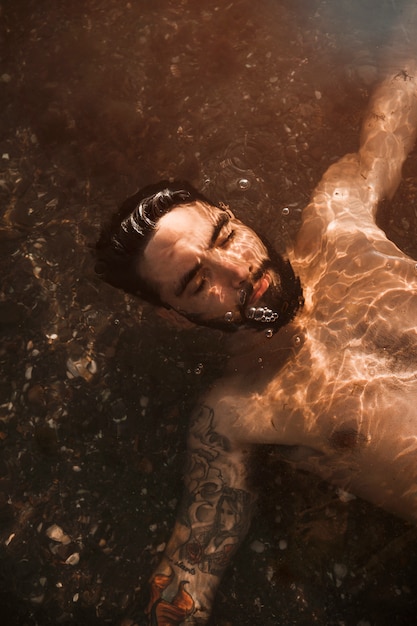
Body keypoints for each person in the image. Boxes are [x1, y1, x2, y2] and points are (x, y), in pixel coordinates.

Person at [96, 62, 417, 625]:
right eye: (198, 282)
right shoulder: (238, 413)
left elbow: (396, 106)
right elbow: (189, 567)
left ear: (236, 216)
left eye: (225, 235)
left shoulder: (341, 220)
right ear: (177, 318)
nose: (239, 268)